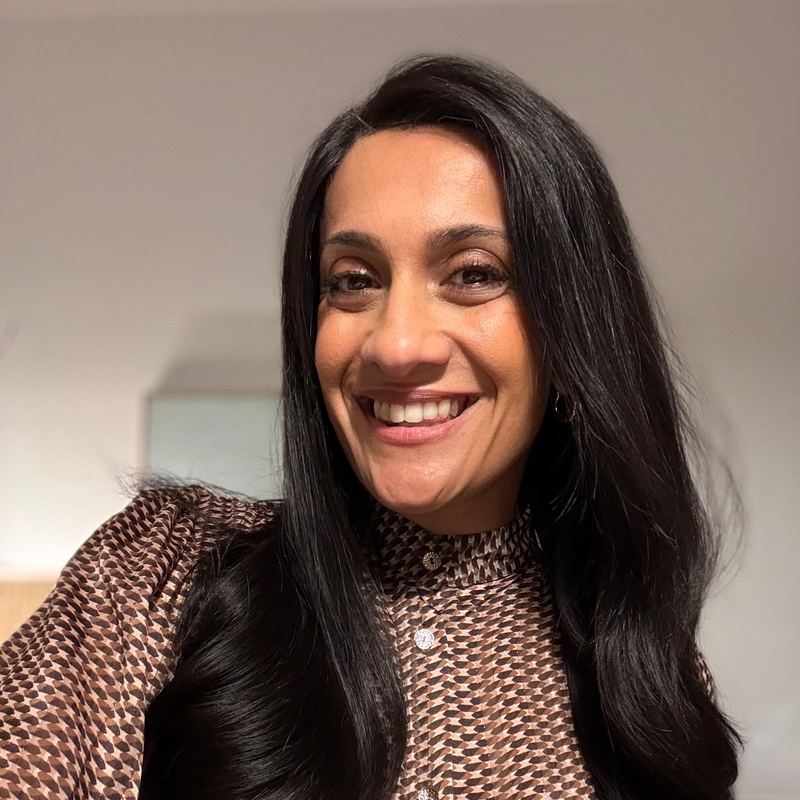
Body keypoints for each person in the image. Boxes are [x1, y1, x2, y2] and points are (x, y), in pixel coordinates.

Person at [0, 55, 742, 800]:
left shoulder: (644, 686)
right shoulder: (162, 580)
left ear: (572, 329)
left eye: (473, 273)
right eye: (353, 281)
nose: (396, 344)